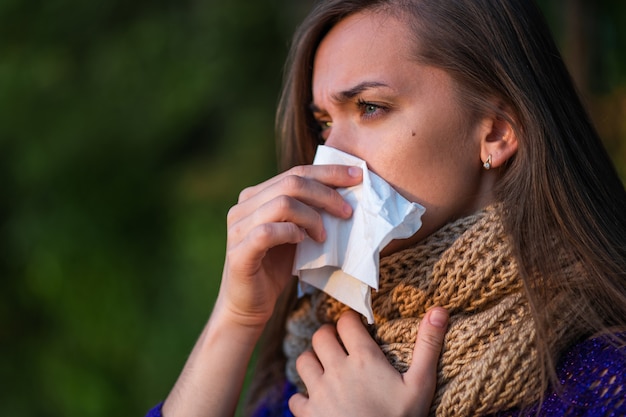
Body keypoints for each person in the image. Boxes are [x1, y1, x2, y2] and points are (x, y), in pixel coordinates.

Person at [146, 0, 626, 416]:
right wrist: (235, 319)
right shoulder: (314, 355)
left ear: (497, 132)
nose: (327, 156)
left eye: (370, 107)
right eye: (322, 124)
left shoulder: (604, 380)